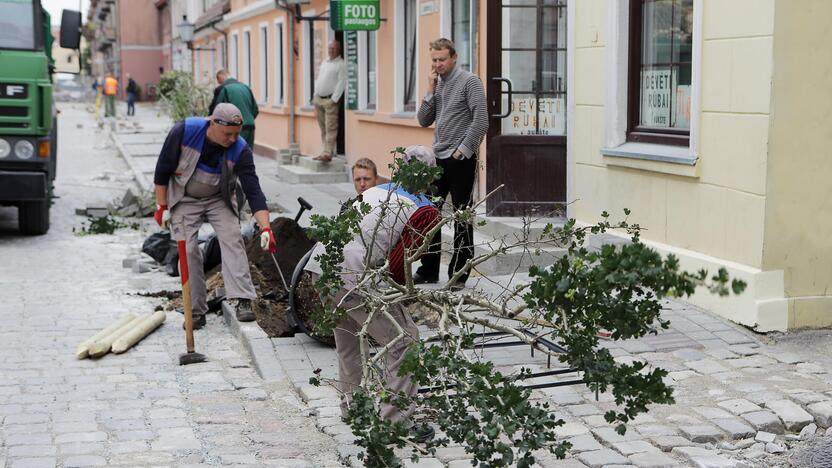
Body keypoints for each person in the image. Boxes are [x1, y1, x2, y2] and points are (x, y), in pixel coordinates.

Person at [306, 145, 439, 441]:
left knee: (350, 340)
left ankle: (353, 409)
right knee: (404, 340)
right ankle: (396, 422)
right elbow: (397, 263)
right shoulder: (424, 208)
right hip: (354, 274)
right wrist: (405, 295)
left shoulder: (375, 191)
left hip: (322, 266)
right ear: (431, 176)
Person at [153, 103, 276, 330]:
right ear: (212, 124)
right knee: (188, 250)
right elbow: (162, 169)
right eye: (227, 134)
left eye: (237, 134)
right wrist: (162, 206)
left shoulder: (240, 149)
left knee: (233, 239)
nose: (232, 139)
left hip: (219, 199)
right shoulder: (184, 131)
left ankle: (243, 300)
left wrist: (266, 227)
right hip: (184, 197)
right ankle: (196, 310)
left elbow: (253, 191)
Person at [415, 38, 488, 289]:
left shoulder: (470, 81)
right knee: (429, 214)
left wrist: (462, 151)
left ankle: (459, 273)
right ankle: (428, 270)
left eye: (442, 59)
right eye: (434, 60)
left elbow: (481, 121)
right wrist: (430, 89)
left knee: (461, 216)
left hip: (461, 160)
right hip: (438, 158)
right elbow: (424, 120)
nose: (438, 64)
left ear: (454, 57)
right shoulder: (439, 85)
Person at [312, 40, 347, 162]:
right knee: (323, 128)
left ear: (338, 50)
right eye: (330, 48)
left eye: (333, 48)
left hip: (329, 101)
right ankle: (324, 151)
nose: (331, 50)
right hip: (319, 99)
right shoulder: (325, 62)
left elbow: (342, 82)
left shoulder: (341, 64)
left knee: (330, 128)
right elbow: (319, 79)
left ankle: (328, 153)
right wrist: (315, 95)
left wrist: (333, 99)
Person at [208, 69, 259, 147]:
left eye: (219, 81)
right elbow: (255, 110)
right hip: (250, 126)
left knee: (233, 154)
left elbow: (217, 111)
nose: (219, 83)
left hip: (234, 128)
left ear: (221, 77)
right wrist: (248, 119)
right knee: (247, 154)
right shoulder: (246, 87)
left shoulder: (224, 88)